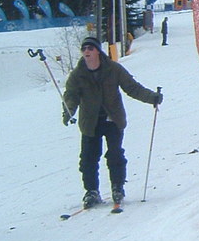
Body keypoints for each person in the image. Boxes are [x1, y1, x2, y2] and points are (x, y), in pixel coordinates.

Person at [62, 36, 163, 209]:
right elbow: (71, 96)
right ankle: (91, 191)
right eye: (84, 49)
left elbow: (131, 87)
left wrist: (152, 97)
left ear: (97, 52)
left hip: (113, 119)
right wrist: (68, 111)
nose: (87, 52)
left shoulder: (113, 69)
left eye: (90, 48)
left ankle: (117, 187)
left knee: (115, 155)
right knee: (88, 158)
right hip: (90, 122)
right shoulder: (78, 74)